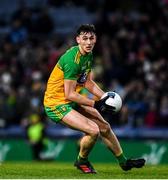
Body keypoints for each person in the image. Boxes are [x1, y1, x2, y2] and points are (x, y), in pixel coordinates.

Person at [44, 24, 145, 173]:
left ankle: (124, 162)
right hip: (56, 104)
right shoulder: (72, 61)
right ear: (78, 40)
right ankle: (81, 161)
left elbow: (87, 82)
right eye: (84, 38)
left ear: (95, 39)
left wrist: (105, 97)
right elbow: (69, 94)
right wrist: (96, 104)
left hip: (71, 101)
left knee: (105, 127)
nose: (88, 42)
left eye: (91, 38)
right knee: (93, 130)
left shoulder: (88, 56)